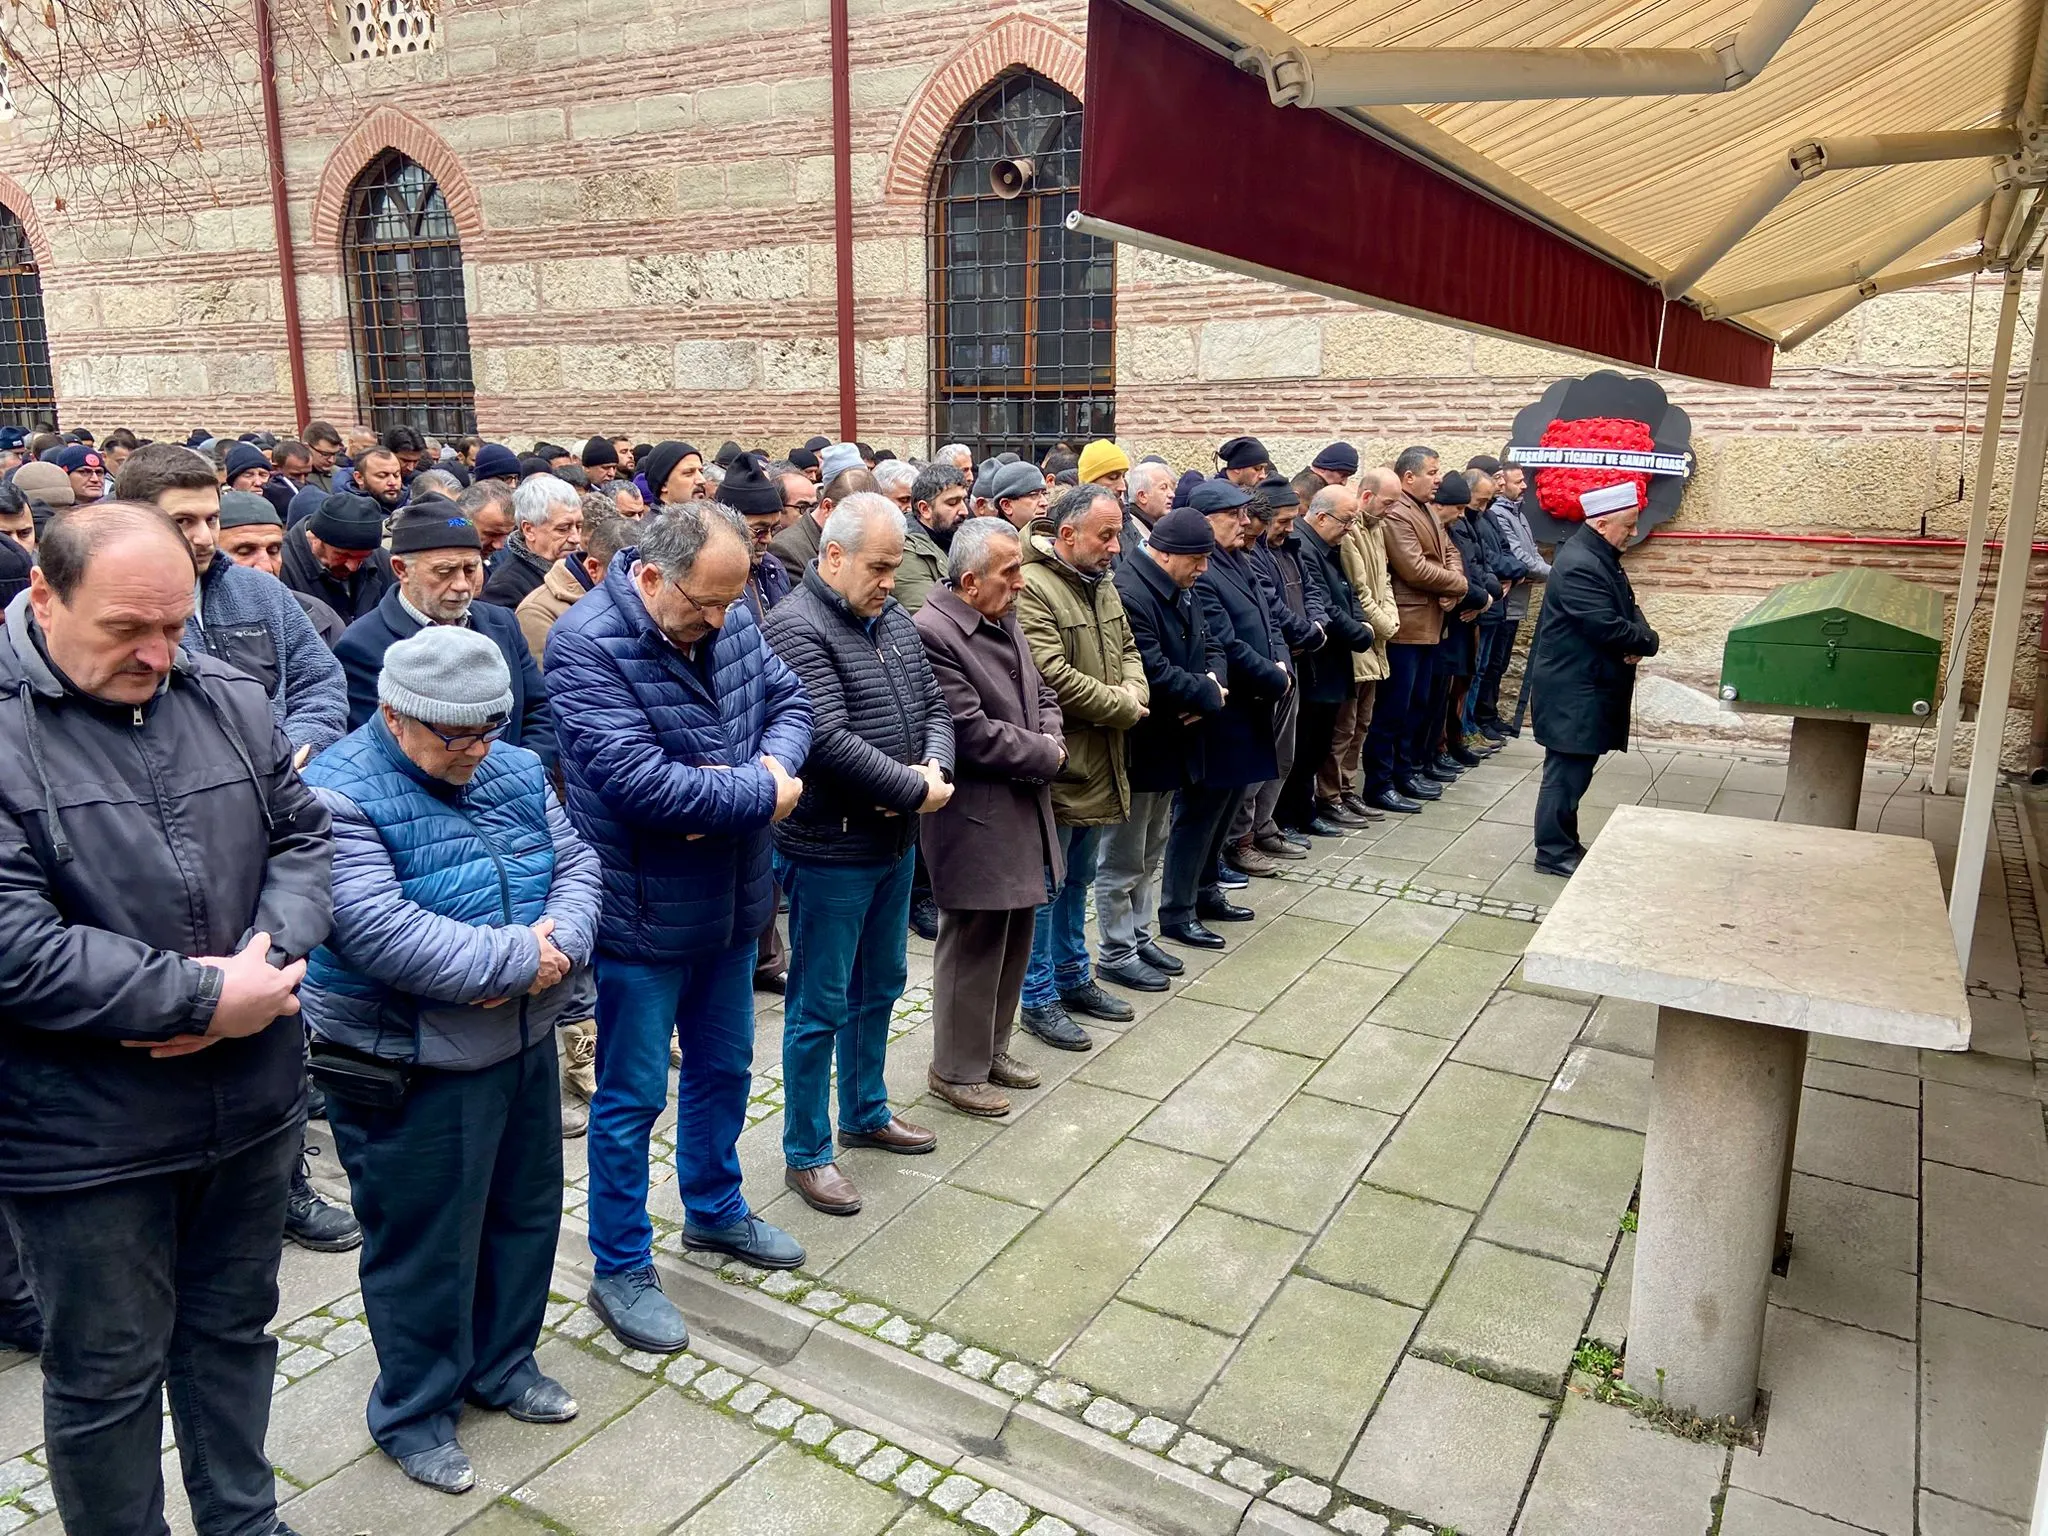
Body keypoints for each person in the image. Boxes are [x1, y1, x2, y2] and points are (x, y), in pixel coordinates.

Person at [0, 501, 333, 1536]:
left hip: (250, 1104)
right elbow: (14, 943)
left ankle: (244, 1520)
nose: (157, 654)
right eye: (125, 631)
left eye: (175, 626)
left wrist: (260, 971)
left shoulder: (226, 694)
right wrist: (200, 999)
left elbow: (306, 839)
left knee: (234, 1332)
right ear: (44, 597)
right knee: (107, 1374)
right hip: (83, 1132)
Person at [302, 627, 602, 1495]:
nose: (476, 751)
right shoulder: (336, 792)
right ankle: (414, 1408)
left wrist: (560, 949)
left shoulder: (505, 764)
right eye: (455, 737)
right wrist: (524, 959)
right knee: (426, 1243)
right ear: (396, 718)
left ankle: (503, 1365)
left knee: (525, 1212)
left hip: (517, 1038)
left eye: (488, 731)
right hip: (411, 1061)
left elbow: (578, 863)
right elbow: (378, 931)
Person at [546, 503, 811, 1354]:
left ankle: (715, 1209)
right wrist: (763, 795)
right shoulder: (586, 644)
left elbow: (790, 700)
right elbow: (641, 787)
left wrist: (758, 770)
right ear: (651, 576)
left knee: (726, 1070)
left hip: (732, 900)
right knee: (629, 1101)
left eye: (733, 602)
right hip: (640, 917)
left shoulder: (726, 612)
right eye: (706, 603)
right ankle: (620, 1264)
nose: (723, 619)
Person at [762, 493, 952, 1214]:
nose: (888, 581)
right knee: (820, 1004)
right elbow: (825, 739)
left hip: (893, 840)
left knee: (884, 984)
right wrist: (913, 787)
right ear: (832, 556)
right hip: (830, 851)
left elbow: (935, 706)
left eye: (896, 567)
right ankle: (806, 1151)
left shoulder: (893, 618)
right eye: (878, 567)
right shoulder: (794, 628)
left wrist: (929, 773)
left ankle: (865, 1110)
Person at [912, 518, 1061, 1113]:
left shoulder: (1002, 616)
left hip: (1021, 802)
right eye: (1011, 571)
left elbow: (1043, 693)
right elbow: (967, 732)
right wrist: (1045, 752)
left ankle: (991, 1049)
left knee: (1013, 935)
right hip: (974, 815)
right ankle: (955, 1067)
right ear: (970, 581)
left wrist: (1049, 737)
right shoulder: (935, 632)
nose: (1021, 583)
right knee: (973, 941)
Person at [118, 442, 352, 765]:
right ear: (133, 519)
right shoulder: (110, 613)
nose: (204, 538)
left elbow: (320, 683)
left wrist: (291, 754)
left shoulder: (264, 593)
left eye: (212, 519)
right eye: (183, 521)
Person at [1015, 485, 1148, 1046]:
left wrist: (1134, 690)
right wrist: (1125, 706)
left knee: (1080, 879)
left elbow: (1131, 649)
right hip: (1065, 762)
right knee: (1049, 884)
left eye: (1118, 533)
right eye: (1106, 535)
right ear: (1066, 535)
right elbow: (1051, 676)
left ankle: (1074, 976)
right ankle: (1038, 996)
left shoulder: (1103, 583)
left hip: (1104, 758)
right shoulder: (1035, 587)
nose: (1116, 546)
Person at [1099, 505, 1223, 991]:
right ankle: (1114, 949)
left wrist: (1212, 689)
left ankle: (1139, 934)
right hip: (1144, 743)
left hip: (1175, 740)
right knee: (1123, 857)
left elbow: (1211, 645)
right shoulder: (1133, 591)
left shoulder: (1181, 587)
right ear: (1167, 554)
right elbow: (1149, 669)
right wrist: (1207, 693)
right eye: (1198, 559)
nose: (1204, 570)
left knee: (1152, 849)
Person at [335, 505, 555, 768]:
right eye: (444, 571)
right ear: (400, 569)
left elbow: (539, 710)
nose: (462, 584)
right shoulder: (363, 645)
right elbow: (381, 750)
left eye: (470, 569)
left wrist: (524, 773)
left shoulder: (501, 623)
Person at [1168, 479, 1287, 946]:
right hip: (1222, 709)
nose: (1244, 522)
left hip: (1249, 706)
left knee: (1228, 807)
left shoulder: (1241, 558)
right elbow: (1224, 643)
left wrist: (1279, 660)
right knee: (1199, 813)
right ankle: (1178, 910)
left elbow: (1268, 619)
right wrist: (1274, 675)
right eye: (1234, 515)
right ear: (1206, 520)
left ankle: (1206, 889)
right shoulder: (1204, 568)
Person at [1526, 488, 1658, 876]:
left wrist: (1641, 637)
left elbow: (1629, 607)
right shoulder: (1582, 562)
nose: (1632, 533)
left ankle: (1565, 842)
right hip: (1574, 686)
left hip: (1585, 682)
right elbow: (1604, 624)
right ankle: (1551, 852)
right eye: (1628, 526)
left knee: (1575, 770)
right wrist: (1646, 641)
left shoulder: (1600, 555)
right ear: (1602, 524)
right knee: (1565, 772)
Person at [1362, 446, 1462, 813]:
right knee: (1393, 709)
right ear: (1409, 477)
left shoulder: (1425, 509)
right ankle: (1379, 783)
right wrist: (1458, 587)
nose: (1438, 479)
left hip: (1431, 622)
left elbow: (1450, 552)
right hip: (1407, 625)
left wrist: (1454, 582)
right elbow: (1413, 568)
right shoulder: (1397, 511)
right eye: (1432, 472)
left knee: (1418, 704)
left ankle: (1406, 772)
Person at [1285, 485, 1379, 832]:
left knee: (1322, 740)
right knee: (1307, 745)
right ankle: (1297, 815)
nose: (1350, 528)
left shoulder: (1329, 546)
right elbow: (1324, 605)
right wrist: (1361, 633)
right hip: (1317, 663)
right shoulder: (1306, 547)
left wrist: (1364, 625)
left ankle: (1305, 811)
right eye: (1346, 520)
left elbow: (1349, 593)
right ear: (1321, 516)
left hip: (1335, 662)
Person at [215, 491, 347, 645]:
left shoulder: (318, 616)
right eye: (245, 552)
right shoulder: (188, 626)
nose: (266, 566)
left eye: (273, 550)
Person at [518, 506, 632, 669]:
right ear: (593, 568)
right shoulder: (537, 611)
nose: (635, 588)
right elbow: (551, 685)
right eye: (625, 578)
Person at [1482, 462, 1548, 738]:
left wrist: (1542, 572)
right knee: (1489, 664)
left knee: (1500, 663)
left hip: (1515, 604)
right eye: (1518, 481)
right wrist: (1558, 576)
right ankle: (1481, 719)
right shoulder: (1499, 513)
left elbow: (1532, 554)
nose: (1524, 486)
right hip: (1503, 603)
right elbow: (1520, 560)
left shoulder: (1517, 513)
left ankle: (1490, 714)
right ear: (1501, 483)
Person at [281, 490, 395, 622]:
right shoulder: (282, 568)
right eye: (343, 555)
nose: (352, 567)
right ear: (316, 539)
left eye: (363, 557)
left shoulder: (381, 560)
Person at [483, 474, 584, 611]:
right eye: (563, 529)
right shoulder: (505, 589)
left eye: (578, 526)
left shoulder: (585, 567)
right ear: (529, 530)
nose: (575, 538)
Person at [769, 457, 869, 585]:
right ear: (827, 507)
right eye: (802, 507)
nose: (808, 512)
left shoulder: (843, 540)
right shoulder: (785, 549)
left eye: (814, 504)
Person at [896, 462, 967, 613]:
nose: (964, 511)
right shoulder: (907, 552)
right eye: (952, 503)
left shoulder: (960, 539)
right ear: (925, 509)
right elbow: (928, 616)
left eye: (964, 501)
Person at [1116, 460, 1174, 567]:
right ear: (1142, 496)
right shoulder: (1127, 532)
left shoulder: (1154, 528)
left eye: (1172, 488)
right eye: (1163, 488)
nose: (1172, 494)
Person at [990, 460, 1049, 528]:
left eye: (1045, 494)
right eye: (1033, 495)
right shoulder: (995, 537)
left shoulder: (1054, 534)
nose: (1044, 503)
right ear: (1007, 506)